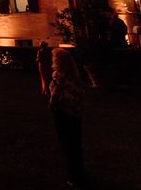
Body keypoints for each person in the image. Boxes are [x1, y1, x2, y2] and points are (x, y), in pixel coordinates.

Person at [49, 48, 86, 188]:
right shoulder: (74, 75)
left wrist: (52, 105)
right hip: (75, 114)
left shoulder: (59, 75)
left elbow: (56, 95)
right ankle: (79, 175)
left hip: (63, 113)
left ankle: (73, 177)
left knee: (67, 145)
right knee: (75, 146)